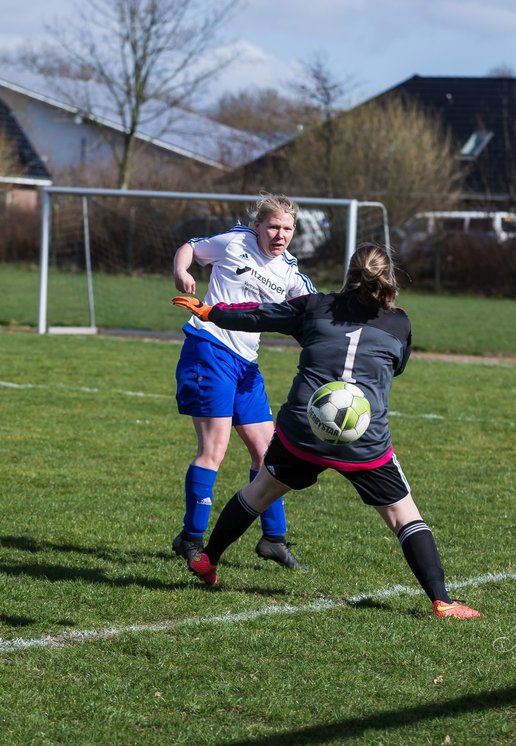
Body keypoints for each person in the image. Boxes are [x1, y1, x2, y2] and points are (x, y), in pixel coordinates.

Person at [171, 243, 480, 619]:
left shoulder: (314, 306)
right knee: (404, 517)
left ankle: (207, 560)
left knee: (259, 492)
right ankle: (443, 601)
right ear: (389, 278)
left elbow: (262, 315)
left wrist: (212, 311)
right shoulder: (399, 322)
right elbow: (396, 366)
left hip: (303, 429)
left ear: (348, 274)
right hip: (363, 439)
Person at [170, 193, 316, 569]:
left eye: (287, 228)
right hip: (209, 349)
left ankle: (273, 539)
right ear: (257, 226)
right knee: (214, 449)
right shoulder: (235, 241)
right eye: (273, 226)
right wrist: (183, 271)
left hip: (247, 365)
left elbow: (316, 311)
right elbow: (190, 247)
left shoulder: (290, 271)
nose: (279, 235)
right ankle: (190, 538)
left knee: (268, 455)